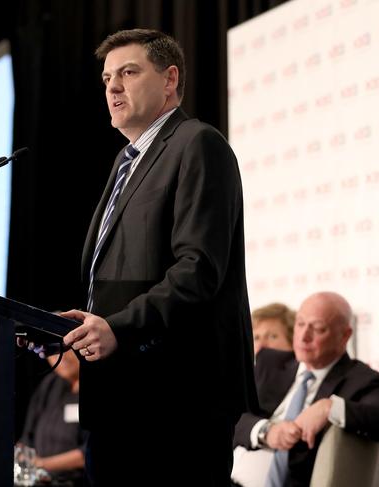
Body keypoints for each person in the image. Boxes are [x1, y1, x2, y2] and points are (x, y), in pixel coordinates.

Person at [60, 28, 258, 486]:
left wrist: (119, 327)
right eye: (108, 76)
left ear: (170, 80)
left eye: (128, 72)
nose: (112, 86)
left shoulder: (197, 145)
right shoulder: (124, 162)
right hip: (120, 397)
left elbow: (198, 269)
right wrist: (75, 326)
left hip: (176, 401)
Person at [232, 292, 379, 487]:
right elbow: (233, 416)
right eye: (300, 324)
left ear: (345, 336)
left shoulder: (360, 380)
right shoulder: (270, 362)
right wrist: (266, 431)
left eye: (318, 328)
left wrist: (330, 408)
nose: (304, 336)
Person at [19, 350, 88, 486]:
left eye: (66, 350)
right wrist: (21, 456)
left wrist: (41, 464)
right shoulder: (50, 384)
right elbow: (27, 437)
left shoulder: (101, 388)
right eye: (53, 352)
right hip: (40, 480)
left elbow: (93, 453)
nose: (61, 357)